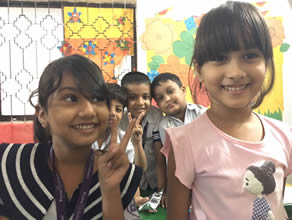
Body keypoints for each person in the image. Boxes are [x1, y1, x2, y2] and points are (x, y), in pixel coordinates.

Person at [162, 2, 292, 220]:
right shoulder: (184, 142)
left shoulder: (284, 136)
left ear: (267, 63)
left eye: (249, 55)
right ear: (199, 70)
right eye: (220, 58)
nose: (235, 72)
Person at [0, 54, 142, 220]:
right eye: (71, 98)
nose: (89, 111)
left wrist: (110, 194)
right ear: (42, 114)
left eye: (97, 98)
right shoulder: (9, 164)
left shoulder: (121, 172)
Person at [119, 71, 167, 207]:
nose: (140, 103)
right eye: (132, 97)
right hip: (128, 187)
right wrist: (133, 195)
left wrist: (162, 191)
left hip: (154, 182)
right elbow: (123, 165)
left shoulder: (156, 115)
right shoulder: (119, 120)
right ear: (124, 99)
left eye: (145, 97)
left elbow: (160, 158)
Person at [92, 83, 147, 171]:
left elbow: (140, 170)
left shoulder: (123, 139)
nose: (113, 113)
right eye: (107, 107)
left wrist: (137, 143)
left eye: (118, 110)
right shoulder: (84, 133)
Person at [150, 72, 206, 145]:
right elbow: (171, 153)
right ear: (158, 105)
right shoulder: (165, 126)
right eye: (161, 98)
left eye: (170, 91)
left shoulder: (202, 113)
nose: (167, 99)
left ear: (183, 91)